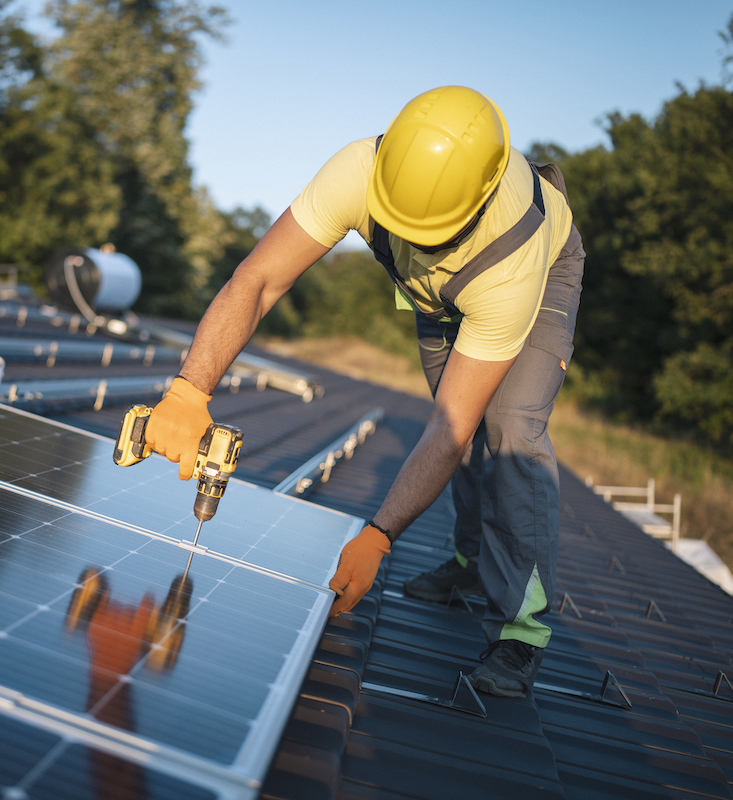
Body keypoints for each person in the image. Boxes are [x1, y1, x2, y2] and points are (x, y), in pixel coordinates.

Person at [144, 86, 584, 698]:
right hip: (433, 291)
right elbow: (259, 279)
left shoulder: (510, 264)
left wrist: (379, 536)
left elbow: (452, 427)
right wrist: (190, 390)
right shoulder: (358, 170)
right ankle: (469, 563)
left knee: (506, 428)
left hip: (532, 275)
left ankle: (523, 630)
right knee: (456, 427)